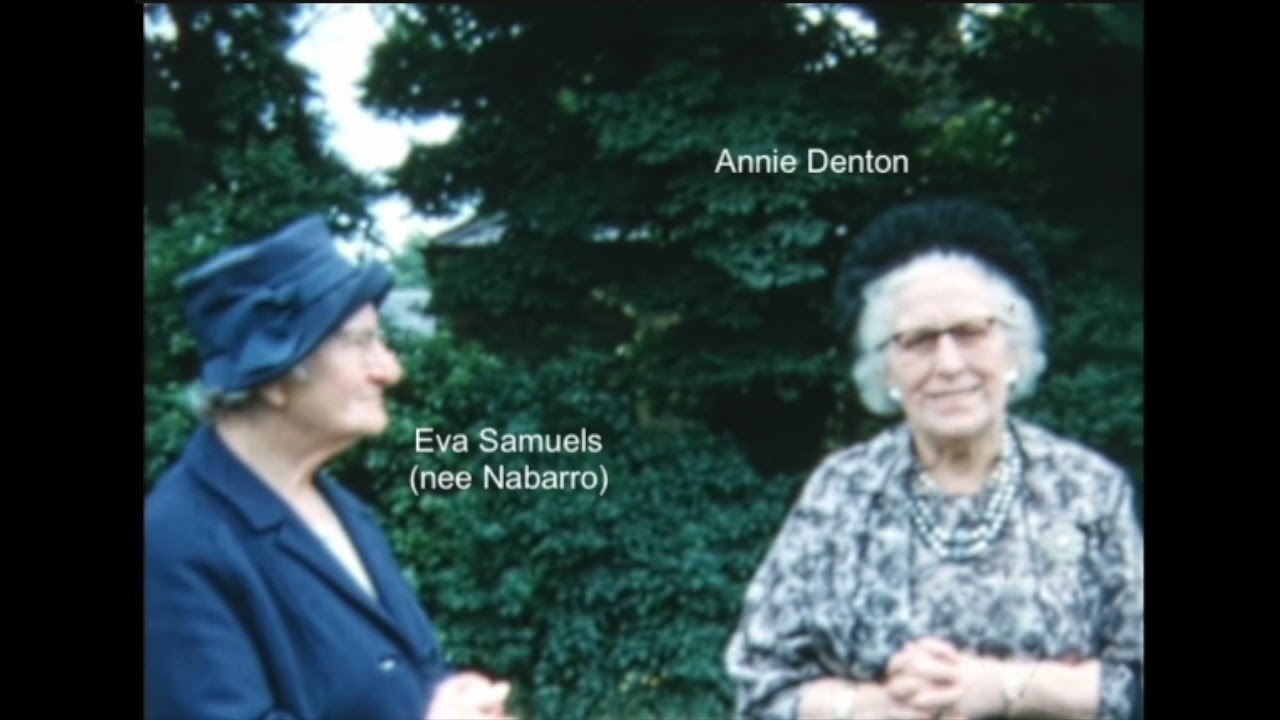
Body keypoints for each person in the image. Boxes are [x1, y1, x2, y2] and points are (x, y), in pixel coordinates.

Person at [724, 199, 1143, 720]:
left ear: (1014, 350)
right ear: (886, 372)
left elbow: (1136, 679)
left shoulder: (1087, 489)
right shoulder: (841, 492)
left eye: (972, 332)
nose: (948, 364)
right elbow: (761, 686)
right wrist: (876, 707)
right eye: (918, 340)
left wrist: (1002, 687)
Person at [145, 214, 512, 720]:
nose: (390, 370)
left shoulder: (342, 509)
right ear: (273, 378)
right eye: (361, 343)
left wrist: (450, 696)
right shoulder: (173, 545)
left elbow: (396, 678)